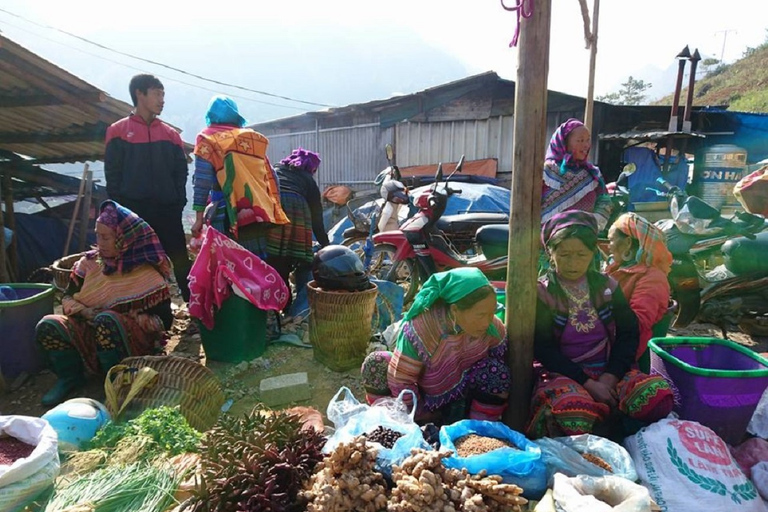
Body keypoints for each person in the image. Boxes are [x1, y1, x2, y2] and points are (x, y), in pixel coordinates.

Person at [527, 210, 673, 438]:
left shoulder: (607, 286)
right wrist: (587, 383)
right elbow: (543, 348)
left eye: (581, 255)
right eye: (564, 255)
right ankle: (602, 417)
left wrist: (610, 376)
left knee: (656, 396)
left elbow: (628, 333)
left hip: (607, 369)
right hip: (563, 374)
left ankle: (608, 419)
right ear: (551, 252)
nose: (573, 263)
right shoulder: (543, 293)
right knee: (573, 413)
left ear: (593, 252)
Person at [35, 201, 173, 406]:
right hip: (90, 328)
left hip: (129, 342)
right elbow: (67, 297)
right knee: (49, 323)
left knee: (107, 320)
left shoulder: (144, 271)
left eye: (106, 237)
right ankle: (70, 377)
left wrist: (128, 317)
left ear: (124, 239)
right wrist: (85, 311)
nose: (99, 242)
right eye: (97, 235)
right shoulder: (88, 264)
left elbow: (164, 321)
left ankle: (116, 381)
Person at [361, 267, 511, 424]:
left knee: (497, 372)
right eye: (481, 315)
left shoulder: (492, 327)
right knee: (376, 362)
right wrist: (420, 415)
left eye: (491, 313)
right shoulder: (421, 328)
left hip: (462, 400)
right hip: (421, 401)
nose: (487, 322)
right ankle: (387, 423)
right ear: (455, 310)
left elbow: (503, 358)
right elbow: (401, 380)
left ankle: (477, 431)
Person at [104, 73, 191, 301]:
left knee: (180, 259)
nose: (162, 100)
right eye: (157, 94)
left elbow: (180, 172)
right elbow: (112, 175)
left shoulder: (171, 135)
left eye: (163, 94)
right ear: (139, 94)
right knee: (136, 263)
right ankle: (139, 311)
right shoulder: (118, 131)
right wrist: (121, 211)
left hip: (167, 211)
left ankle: (196, 308)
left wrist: (177, 202)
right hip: (133, 214)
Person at [190, 95, 288, 258]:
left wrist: (199, 219)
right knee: (255, 264)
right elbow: (272, 178)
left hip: (225, 214)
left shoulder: (207, 139)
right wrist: (274, 209)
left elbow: (202, 182)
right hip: (257, 213)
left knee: (228, 265)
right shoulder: (250, 139)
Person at [266, 148, 330, 316]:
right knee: (301, 261)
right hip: (297, 211)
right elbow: (317, 216)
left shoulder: (275, 168)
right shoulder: (307, 179)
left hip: (272, 209)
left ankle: (275, 305)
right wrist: (326, 244)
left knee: (275, 261)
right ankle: (298, 307)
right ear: (311, 168)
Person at [606, 212, 673, 372]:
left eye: (611, 240)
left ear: (628, 243)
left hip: (625, 355)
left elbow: (637, 325)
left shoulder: (652, 278)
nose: (608, 246)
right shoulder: (618, 268)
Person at [541, 119, 612, 231]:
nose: (586, 145)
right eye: (580, 140)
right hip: (550, 239)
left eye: (588, 140)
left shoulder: (592, 173)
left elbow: (604, 200)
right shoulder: (546, 172)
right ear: (564, 142)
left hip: (585, 236)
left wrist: (596, 220)